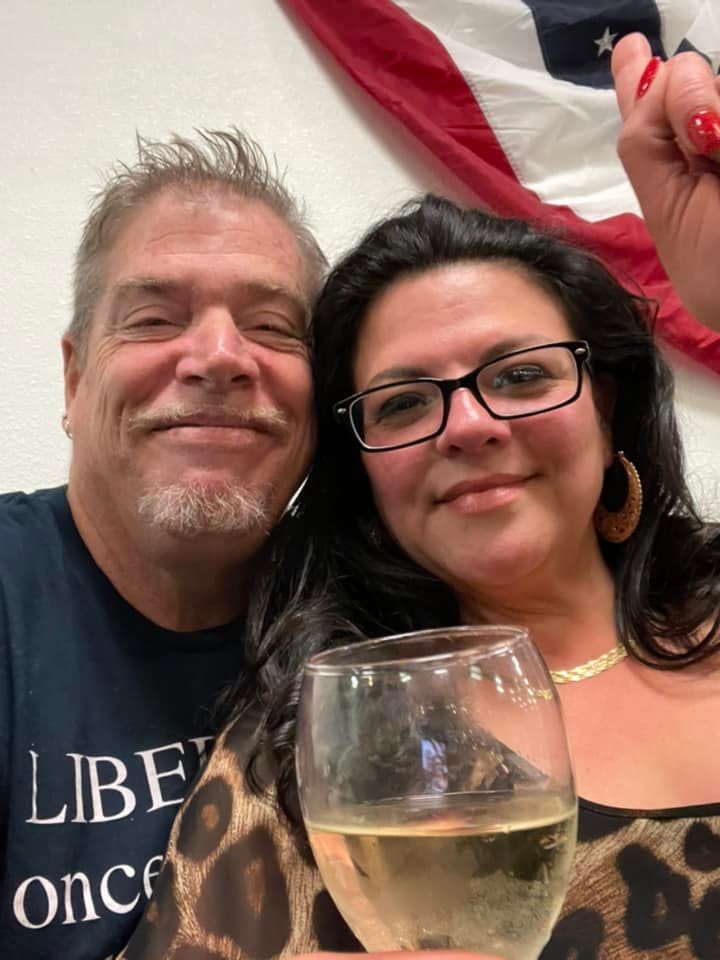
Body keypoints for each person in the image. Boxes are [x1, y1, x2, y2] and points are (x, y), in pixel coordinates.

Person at [119, 36, 720, 960]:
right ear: (362, 470)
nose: (469, 426)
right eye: (403, 403)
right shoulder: (320, 749)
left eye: (520, 376)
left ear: (606, 409)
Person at [0, 128, 325, 959]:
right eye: (152, 319)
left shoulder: (374, 603)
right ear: (74, 379)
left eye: (271, 326)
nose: (219, 357)